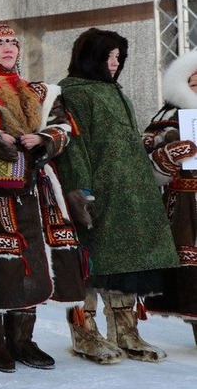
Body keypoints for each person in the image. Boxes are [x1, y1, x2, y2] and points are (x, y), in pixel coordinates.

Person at [0, 25, 88, 371]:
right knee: (1, 263)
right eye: (0, 43)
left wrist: (44, 140)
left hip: (37, 189)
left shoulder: (40, 91)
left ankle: (23, 339)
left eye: (13, 43)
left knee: (35, 258)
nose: (9, 48)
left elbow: (64, 127)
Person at [55, 28, 178, 362]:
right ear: (89, 56)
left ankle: (126, 331)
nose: (115, 63)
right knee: (92, 264)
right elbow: (73, 146)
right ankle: (85, 334)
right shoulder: (71, 92)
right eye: (108, 56)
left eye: (119, 57)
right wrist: (80, 191)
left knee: (125, 263)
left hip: (129, 192)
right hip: (99, 192)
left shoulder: (116, 92)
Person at [141, 49, 197, 345]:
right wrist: (168, 157)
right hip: (186, 207)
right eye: (194, 82)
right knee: (192, 274)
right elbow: (143, 165)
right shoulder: (164, 121)